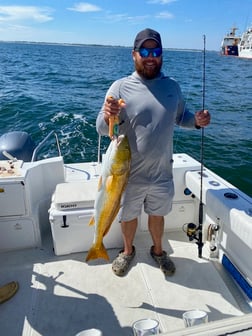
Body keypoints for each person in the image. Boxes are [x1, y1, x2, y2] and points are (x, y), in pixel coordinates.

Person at [96, 28, 211, 277]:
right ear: (134, 54)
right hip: (128, 175)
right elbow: (103, 129)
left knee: (157, 216)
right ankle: (127, 252)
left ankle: (158, 251)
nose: (151, 56)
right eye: (145, 51)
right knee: (128, 216)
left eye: (156, 51)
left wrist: (197, 121)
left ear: (161, 55)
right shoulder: (120, 87)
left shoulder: (172, 87)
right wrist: (109, 115)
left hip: (161, 172)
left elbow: (181, 117)